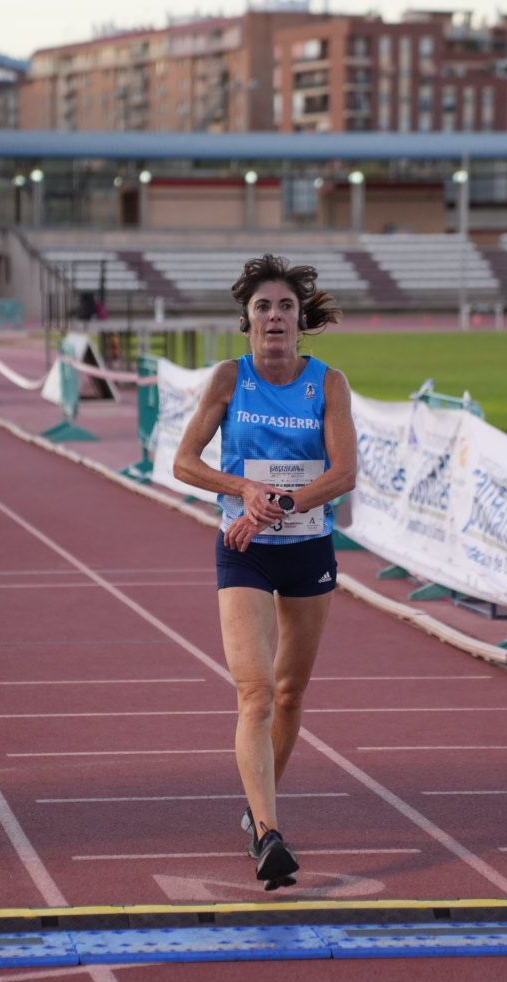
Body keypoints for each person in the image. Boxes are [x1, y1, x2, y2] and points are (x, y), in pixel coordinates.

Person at [172, 254, 356, 891]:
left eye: (284, 307)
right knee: (254, 693)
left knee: (288, 694)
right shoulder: (230, 378)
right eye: (262, 307)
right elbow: (185, 463)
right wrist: (242, 488)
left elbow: (343, 474)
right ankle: (268, 832)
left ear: (300, 320)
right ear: (246, 322)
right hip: (244, 547)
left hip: (306, 546)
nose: (274, 317)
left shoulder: (328, 384)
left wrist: (276, 505)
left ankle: (257, 809)